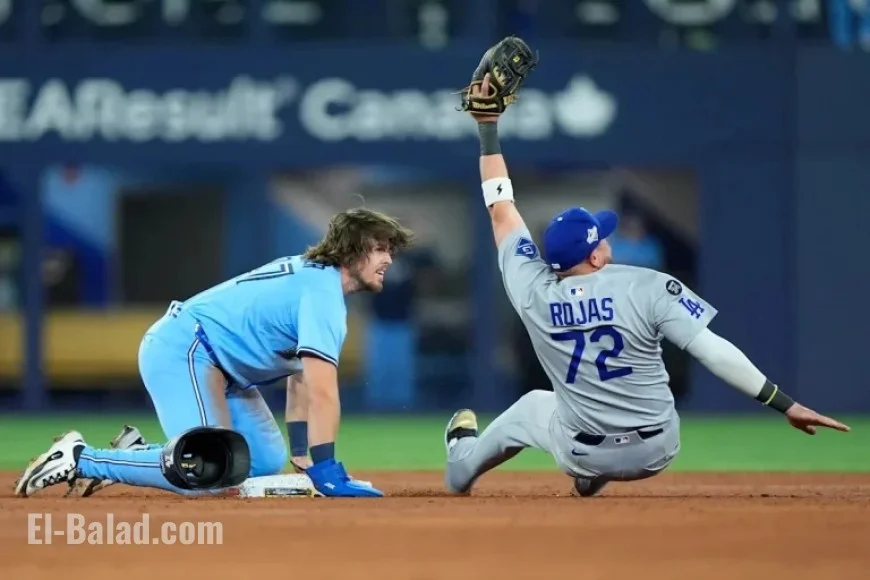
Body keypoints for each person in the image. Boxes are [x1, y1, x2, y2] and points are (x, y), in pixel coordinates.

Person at [443, 75, 850, 497]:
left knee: (533, 405)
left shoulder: (533, 290)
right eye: (602, 236)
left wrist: (487, 127)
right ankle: (590, 476)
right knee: (593, 402)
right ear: (595, 256)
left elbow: (501, 210)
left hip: (584, 450)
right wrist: (785, 403)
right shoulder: (649, 285)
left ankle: (462, 466)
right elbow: (712, 350)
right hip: (658, 448)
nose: (608, 239)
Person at [15, 208, 413, 499]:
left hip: (223, 370)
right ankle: (80, 458)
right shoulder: (322, 294)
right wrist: (328, 471)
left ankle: (140, 457)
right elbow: (325, 392)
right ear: (354, 250)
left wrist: (299, 453)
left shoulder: (319, 282)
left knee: (262, 461)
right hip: (186, 349)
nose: (388, 260)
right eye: (380, 249)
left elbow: (302, 380)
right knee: (210, 477)